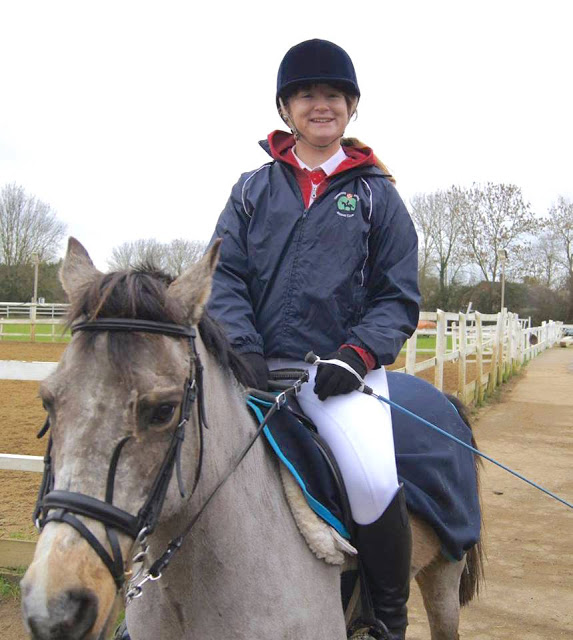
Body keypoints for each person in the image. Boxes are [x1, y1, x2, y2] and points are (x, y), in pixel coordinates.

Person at [207, 39, 420, 640]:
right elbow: (224, 273)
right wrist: (242, 347)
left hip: (340, 374)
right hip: (251, 367)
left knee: (373, 481)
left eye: (333, 95)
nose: (320, 105)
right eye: (306, 95)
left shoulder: (378, 195)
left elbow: (397, 295)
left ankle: (385, 616)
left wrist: (355, 356)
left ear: (351, 107)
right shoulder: (251, 189)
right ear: (286, 108)